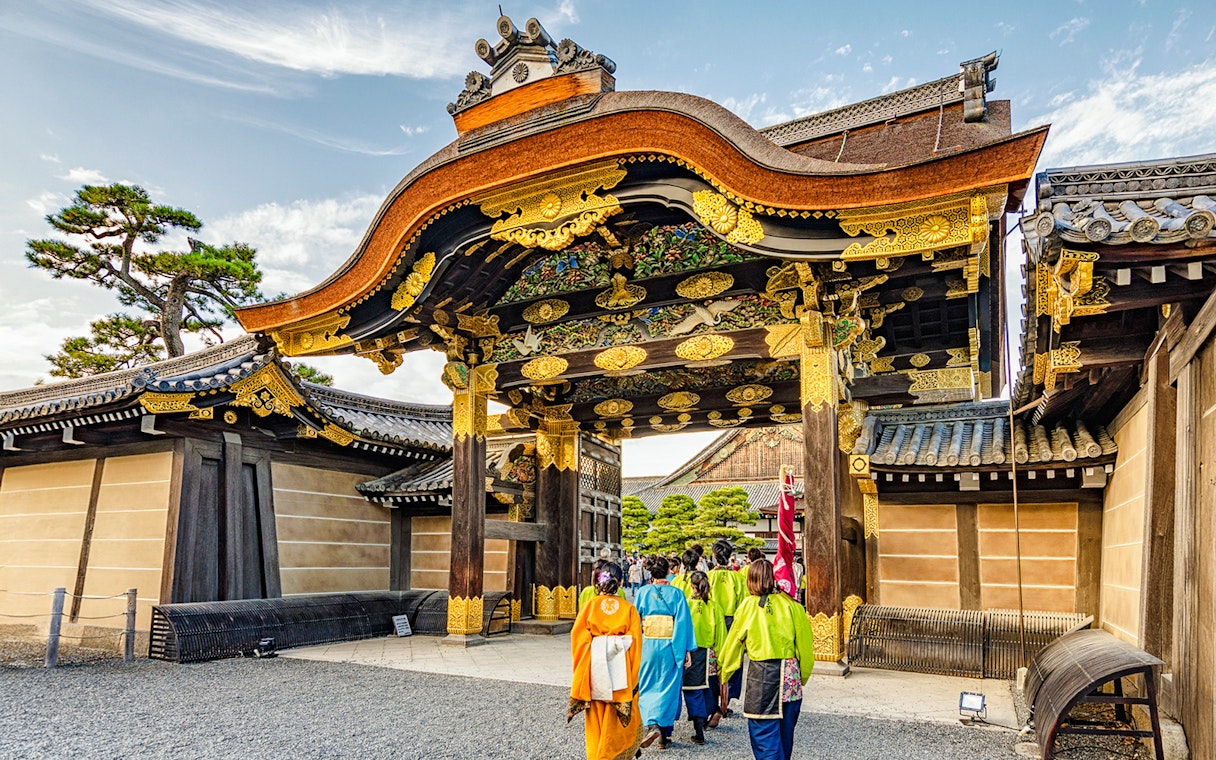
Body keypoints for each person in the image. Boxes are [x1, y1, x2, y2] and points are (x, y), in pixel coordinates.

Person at [719, 560, 816, 760]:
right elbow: (806, 646)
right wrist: (803, 675)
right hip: (790, 675)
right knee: (785, 733)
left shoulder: (748, 605)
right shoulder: (792, 605)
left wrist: (725, 670)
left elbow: (734, 641)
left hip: (762, 674)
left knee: (763, 731)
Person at [569, 562, 644, 760]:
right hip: (620, 670)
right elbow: (635, 645)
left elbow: (578, 639)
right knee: (616, 717)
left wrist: (590, 656)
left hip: (594, 667)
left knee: (595, 716)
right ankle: (613, 753)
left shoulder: (589, 607)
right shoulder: (629, 609)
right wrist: (632, 676)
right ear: (620, 581)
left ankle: (596, 755)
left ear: (598, 582)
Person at [634, 555, 696, 750]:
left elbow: (634, 621)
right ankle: (663, 734)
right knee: (669, 688)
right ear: (669, 571)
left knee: (647, 684)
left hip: (648, 646)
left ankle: (652, 725)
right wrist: (685, 650)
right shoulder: (677, 594)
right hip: (670, 645)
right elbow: (683, 623)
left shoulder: (643, 592)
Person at [682, 570, 727, 744]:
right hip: (710, 653)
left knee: (692, 691)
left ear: (691, 586)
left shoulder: (685, 605)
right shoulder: (715, 607)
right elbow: (722, 635)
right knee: (709, 688)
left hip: (690, 654)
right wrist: (722, 659)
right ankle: (711, 712)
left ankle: (698, 728)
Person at [707, 540, 746, 714]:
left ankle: (713, 701)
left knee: (712, 659)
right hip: (733, 622)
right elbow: (744, 604)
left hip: (711, 621)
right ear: (730, 556)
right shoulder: (738, 578)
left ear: (714, 556)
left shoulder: (708, 576)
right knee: (732, 659)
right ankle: (726, 699)